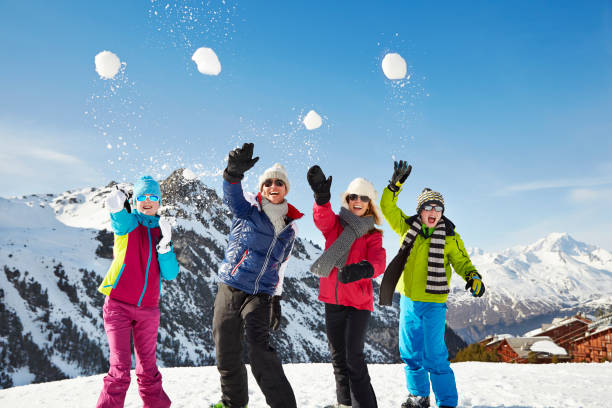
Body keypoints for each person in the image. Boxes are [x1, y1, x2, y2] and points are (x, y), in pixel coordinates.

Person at [378, 161, 485, 408]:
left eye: (438, 208)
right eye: (429, 207)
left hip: (434, 303)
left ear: (442, 212)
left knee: (434, 355)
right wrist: (394, 186)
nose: (433, 211)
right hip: (408, 300)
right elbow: (387, 207)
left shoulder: (450, 237)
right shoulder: (407, 227)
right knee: (410, 353)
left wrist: (474, 277)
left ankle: (447, 402)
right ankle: (419, 396)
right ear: (421, 210)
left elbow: (462, 262)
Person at [211, 142, 302, 408]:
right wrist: (233, 174)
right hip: (231, 285)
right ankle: (232, 403)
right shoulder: (247, 209)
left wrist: (276, 298)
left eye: (279, 183)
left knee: (260, 350)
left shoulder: (291, 228)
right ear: (262, 188)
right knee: (226, 349)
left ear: (286, 189)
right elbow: (231, 195)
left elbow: (281, 265)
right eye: (268, 183)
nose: (273, 186)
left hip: (261, 294)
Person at [96, 175, 180, 408]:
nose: (147, 201)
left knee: (148, 370)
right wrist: (116, 203)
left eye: (153, 197)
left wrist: (165, 246)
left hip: (148, 310)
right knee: (120, 370)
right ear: (135, 202)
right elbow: (119, 220)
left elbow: (171, 273)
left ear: (159, 201)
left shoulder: (162, 230)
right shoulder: (130, 223)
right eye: (142, 196)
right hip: (118, 306)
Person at [307, 165, 387, 408]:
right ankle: (344, 404)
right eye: (353, 197)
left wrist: (362, 270)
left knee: (354, 358)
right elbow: (322, 219)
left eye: (364, 197)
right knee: (338, 359)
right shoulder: (336, 225)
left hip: (358, 303)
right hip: (332, 301)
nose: (358, 201)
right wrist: (321, 199)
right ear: (348, 200)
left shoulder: (373, 234)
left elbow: (378, 261)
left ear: (370, 203)